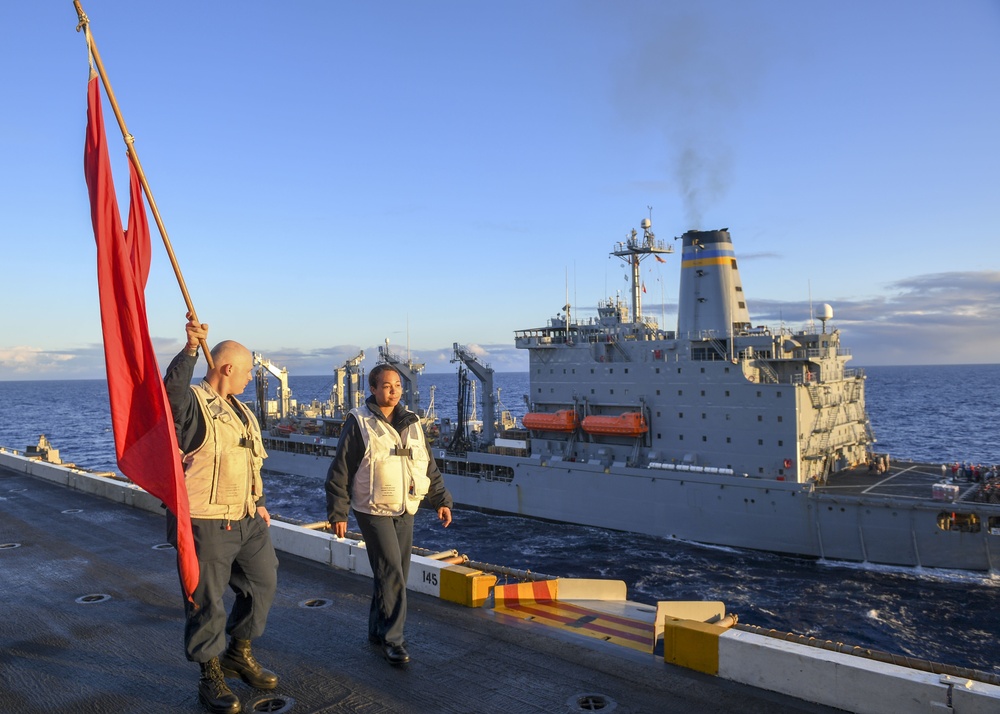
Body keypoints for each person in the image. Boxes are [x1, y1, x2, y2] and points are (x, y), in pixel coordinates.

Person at [164, 316, 279, 714]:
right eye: (248, 371)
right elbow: (170, 396)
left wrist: (258, 500)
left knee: (262, 583)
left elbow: (248, 461)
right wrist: (191, 350)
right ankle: (210, 675)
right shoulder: (194, 404)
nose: (250, 379)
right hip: (206, 520)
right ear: (228, 368)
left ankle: (238, 652)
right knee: (206, 601)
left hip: (246, 517)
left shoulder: (242, 411)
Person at [325, 363, 453, 665]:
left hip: (405, 506)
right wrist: (338, 513)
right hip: (372, 508)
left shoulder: (412, 422)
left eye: (397, 385)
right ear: (372, 389)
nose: (393, 390)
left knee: (393, 572)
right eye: (386, 385)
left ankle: (377, 630)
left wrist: (441, 500)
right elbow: (340, 470)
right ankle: (393, 640)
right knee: (392, 571)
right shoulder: (358, 422)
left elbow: (426, 465)